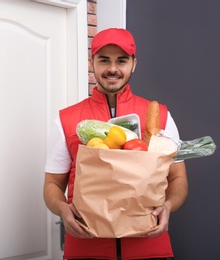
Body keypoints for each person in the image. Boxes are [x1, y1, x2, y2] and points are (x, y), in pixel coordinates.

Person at [43, 28, 189, 260]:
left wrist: (168, 206)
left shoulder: (160, 116)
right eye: (104, 60)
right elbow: (52, 183)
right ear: (92, 62)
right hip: (86, 248)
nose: (112, 69)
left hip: (150, 248)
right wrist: (62, 209)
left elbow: (178, 177)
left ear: (134, 64)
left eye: (121, 61)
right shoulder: (66, 119)